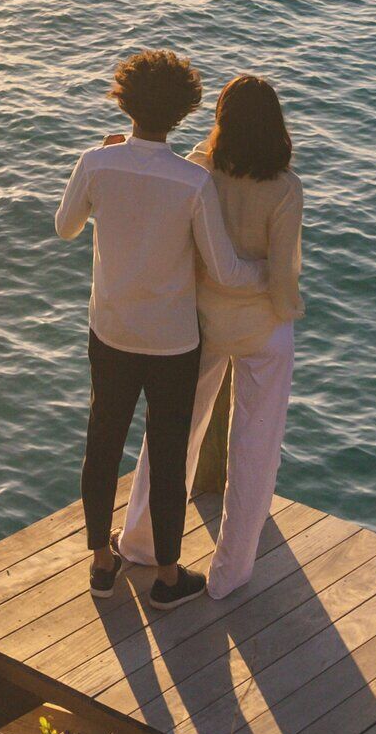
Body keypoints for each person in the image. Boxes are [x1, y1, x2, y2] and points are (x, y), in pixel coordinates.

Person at [55, 48, 260, 602]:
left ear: (124, 101)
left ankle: (102, 561)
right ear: (183, 113)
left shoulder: (98, 163)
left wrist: (103, 169)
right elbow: (223, 269)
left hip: (112, 330)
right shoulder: (193, 182)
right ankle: (168, 577)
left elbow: (66, 227)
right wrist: (272, 270)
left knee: (102, 442)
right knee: (169, 456)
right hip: (172, 341)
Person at [114, 73, 302, 599]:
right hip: (263, 327)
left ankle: (141, 542)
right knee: (254, 446)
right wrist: (284, 302)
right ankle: (229, 574)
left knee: (173, 434)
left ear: (221, 120)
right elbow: (283, 278)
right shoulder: (286, 188)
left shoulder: (200, 168)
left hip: (200, 321)